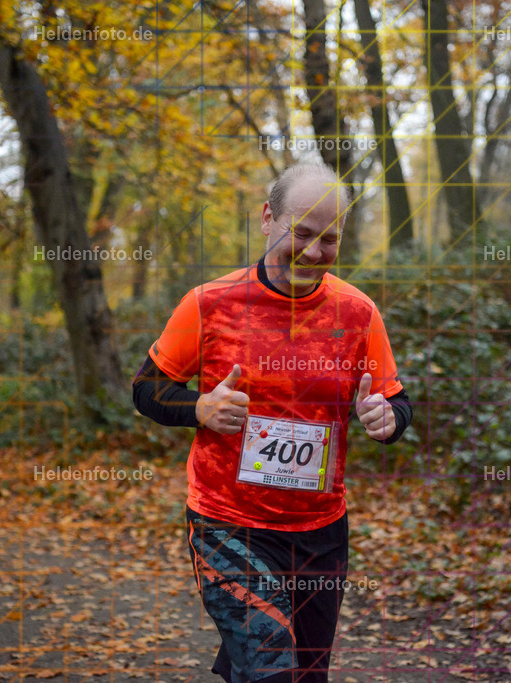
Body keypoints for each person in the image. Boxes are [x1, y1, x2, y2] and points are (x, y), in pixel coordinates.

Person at [132, 163, 412, 682]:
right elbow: (145, 390)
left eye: (329, 239)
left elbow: (397, 402)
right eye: (301, 232)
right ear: (268, 218)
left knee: (305, 674)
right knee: (269, 665)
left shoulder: (358, 313)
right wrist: (199, 408)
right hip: (228, 524)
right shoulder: (209, 304)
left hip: (320, 530)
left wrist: (386, 418)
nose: (313, 251)